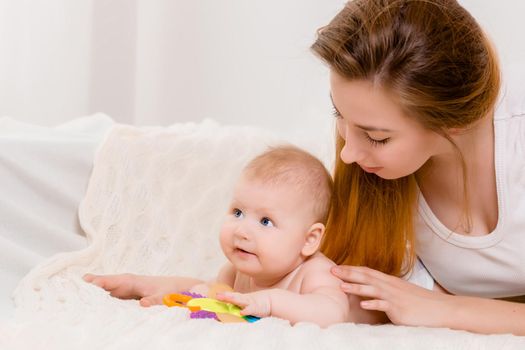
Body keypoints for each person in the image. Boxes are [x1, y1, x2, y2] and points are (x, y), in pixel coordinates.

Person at [310, 0, 525, 335]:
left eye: (377, 137)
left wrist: (446, 308)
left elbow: (426, 306)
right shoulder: (378, 165)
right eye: (339, 114)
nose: (348, 154)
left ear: (452, 122)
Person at [86, 146, 356, 327]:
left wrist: (270, 302)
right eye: (237, 212)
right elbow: (205, 290)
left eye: (265, 221)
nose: (242, 230)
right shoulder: (238, 271)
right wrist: (143, 285)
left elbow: (333, 313)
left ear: (309, 240)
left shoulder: (316, 274)